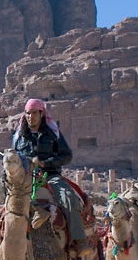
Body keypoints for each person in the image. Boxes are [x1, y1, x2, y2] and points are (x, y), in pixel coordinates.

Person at [12, 98, 87, 241]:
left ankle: (79, 241)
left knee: (69, 198)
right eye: (28, 113)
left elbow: (67, 156)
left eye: (34, 113)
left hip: (50, 176)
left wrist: (44, 163)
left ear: (42, 114)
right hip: (26, 178)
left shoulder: (53, 134)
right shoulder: (19, 138)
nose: (31, 116)